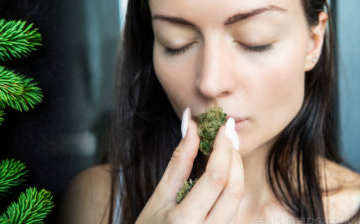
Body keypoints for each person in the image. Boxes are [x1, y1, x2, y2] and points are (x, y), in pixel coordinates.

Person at [61, 0, 360, 223]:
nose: (210, 83)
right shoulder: (96, 202)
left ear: (313, 42)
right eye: (176, 43)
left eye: (255, 41)